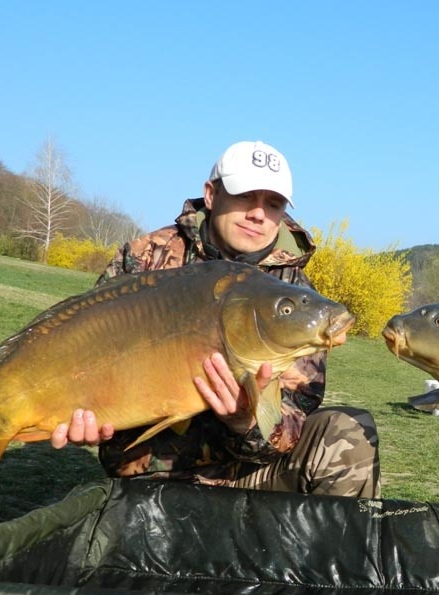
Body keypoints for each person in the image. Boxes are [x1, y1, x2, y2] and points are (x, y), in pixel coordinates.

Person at [50, 140, 380, 499]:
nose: (258, 214)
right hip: (150, 475)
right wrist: (88, 419)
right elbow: (86, 349)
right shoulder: (147, 258)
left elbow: (292, 420)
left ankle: (325, 553)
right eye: (245, 197)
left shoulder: (296, 301)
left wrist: (245, 422)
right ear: (211, 194)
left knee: (349, 432)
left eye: (273, 204)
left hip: (254, 473)